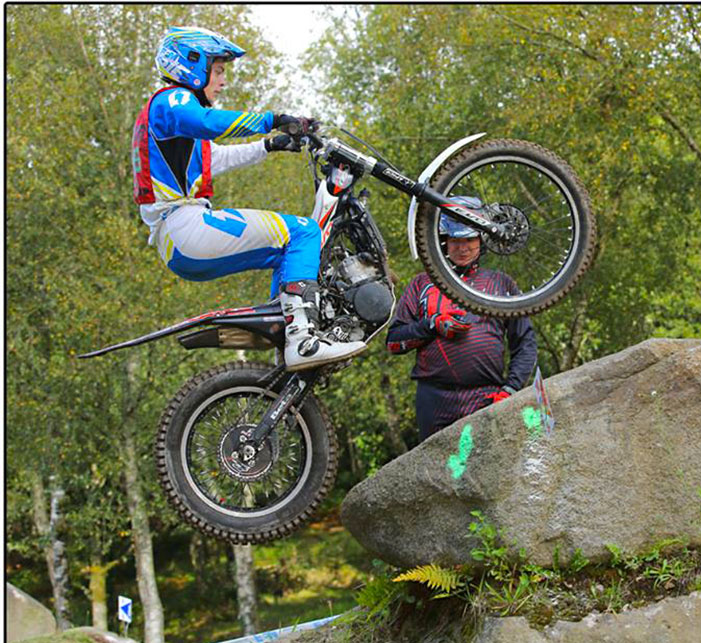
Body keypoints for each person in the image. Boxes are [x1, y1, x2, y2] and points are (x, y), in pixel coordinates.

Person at [133, 26, 365, 371]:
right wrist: (274, 120)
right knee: (303, 233)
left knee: (290, 257)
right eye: (219, 70)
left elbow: (215, 159)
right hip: (184, 226)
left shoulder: (173, 122)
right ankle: (301, 341)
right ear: (192, 66)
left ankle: (289, 342)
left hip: (179, 238)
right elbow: (208, 122)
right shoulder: (171, 100)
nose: (223, 81)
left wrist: (269, 145)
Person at [386, 197, 538, 442]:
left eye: (469, 239)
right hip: (434, 398)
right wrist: (432, 324)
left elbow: (526, 344)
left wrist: (512, 388)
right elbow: (393, 342)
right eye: (455, 240)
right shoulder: (422, 283)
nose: (463, 247)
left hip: (487, 396)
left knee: (487, 473)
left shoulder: (501, 283)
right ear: (443, 242)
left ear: (482, 240)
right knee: (437, 476)